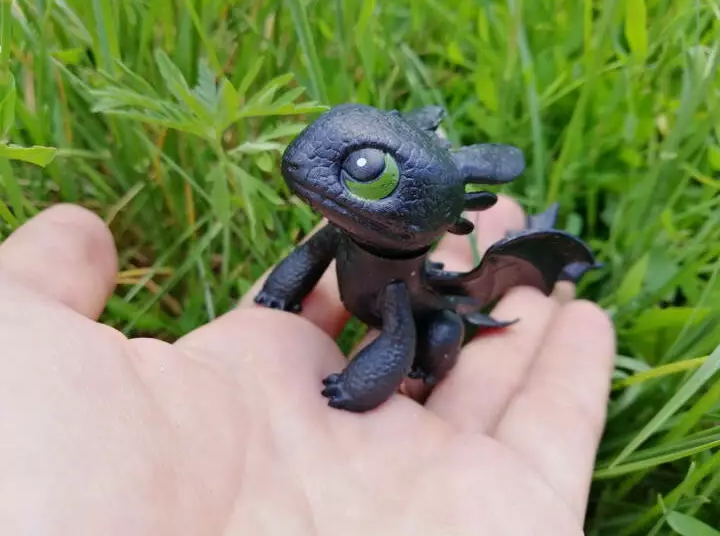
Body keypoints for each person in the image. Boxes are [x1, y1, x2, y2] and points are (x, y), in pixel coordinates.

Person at [0, 196, 614, 535]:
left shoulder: (396, 283)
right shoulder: (342, 236)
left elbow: (398, 334)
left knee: (444, 327)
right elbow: (308, 260)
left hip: (429, 316)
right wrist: (279, 297)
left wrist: (358, 385)